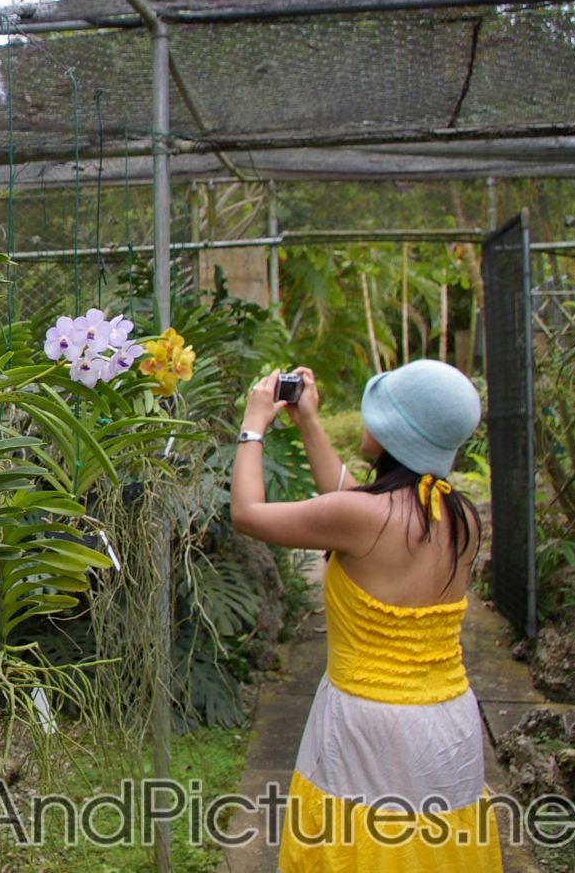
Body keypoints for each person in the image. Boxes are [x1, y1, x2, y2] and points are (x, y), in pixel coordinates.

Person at [230, 360, 502, 872]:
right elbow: (355, 502)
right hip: (449, 726)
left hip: (370, 730)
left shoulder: (362, 518)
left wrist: (254, 423)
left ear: (398, 432)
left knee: (359, 850)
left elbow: (248, 513)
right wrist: (308, 420)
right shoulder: (455, 512)